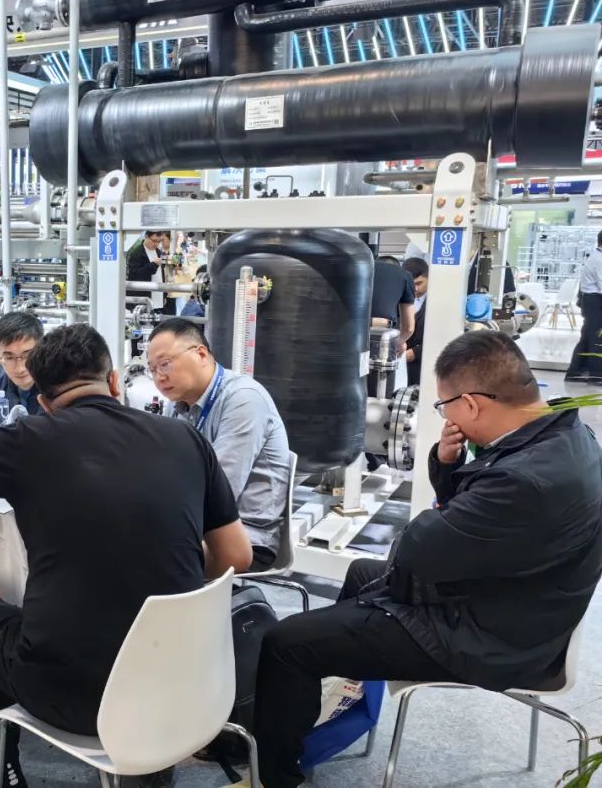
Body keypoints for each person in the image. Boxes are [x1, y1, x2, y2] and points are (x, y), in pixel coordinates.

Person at [254, 331, 602, 788]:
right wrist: (447, 463)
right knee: (360, 572)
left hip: (492, 637)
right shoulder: (566, 432)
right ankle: (331, 695)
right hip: (520, 601)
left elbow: (416, 550)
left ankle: (277, 777)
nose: (445, 417)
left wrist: (439, 504)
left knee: (286, 644)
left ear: (471, 404)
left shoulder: (524, 478)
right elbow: (472, 526)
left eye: (444, 406)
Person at [0, 324, 252, 788]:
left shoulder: (24, 439)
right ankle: (148, 771)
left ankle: (2, 774)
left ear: (43, 402)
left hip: (73, 698)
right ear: (113, 381)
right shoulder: (185, 438)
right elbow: (237, 555)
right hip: (187, 686)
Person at [147, 317, 290, 571]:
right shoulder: (177, 407)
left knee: (143, 560)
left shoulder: (244, 400)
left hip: (244, 536)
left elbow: (220, 492)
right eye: (152, 369)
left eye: (165, 364)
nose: (159, 377)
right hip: (196, 525)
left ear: (200, 354)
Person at [566, 231, 602, 383]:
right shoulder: (598, 259)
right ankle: (596, 375)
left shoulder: (596, 257)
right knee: (596, 339)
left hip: (592, 300)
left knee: (588, 337)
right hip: (595, 301)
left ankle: (575, 372)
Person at [369, 250, 415, 356]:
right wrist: (399, 342)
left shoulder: (361, 268)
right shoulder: (404, 275)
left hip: (348, 330)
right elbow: (408, 328)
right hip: (381, 333)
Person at [403, 257, 428, 386]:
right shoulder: (401, 298)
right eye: (412, 285)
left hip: (423, 367)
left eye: (419, 283)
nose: (416, 289)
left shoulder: (437, 302)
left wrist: (415, 353)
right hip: (401, 367)